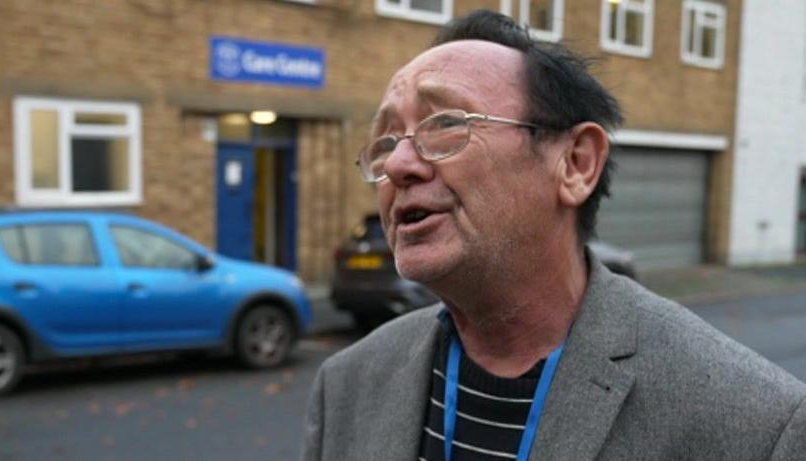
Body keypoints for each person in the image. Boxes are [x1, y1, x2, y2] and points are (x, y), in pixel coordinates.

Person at [302, 10, 806, 461]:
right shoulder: (345, 386)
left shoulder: (753, 422)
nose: (398, 163)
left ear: (575, 164)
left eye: (446, 123)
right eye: (386, 141)